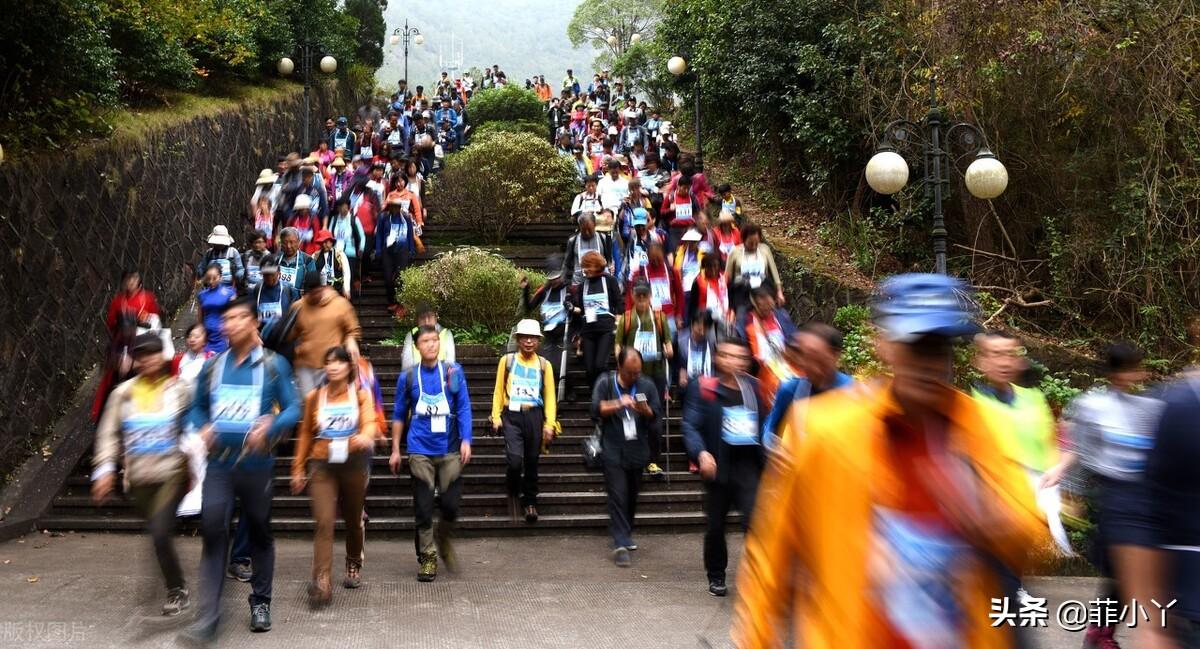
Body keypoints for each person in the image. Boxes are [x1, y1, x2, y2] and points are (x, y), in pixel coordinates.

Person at [733, 273, 1047, 648]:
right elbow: (771, 558)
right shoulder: (821, 428)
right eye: (916, 344)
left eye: (939, 347)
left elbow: (1032, 530)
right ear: (883, 344)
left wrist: (991, 521)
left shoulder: (979, 426)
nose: (930, 362)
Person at [180, 298, 301, 642]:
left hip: (256, 465)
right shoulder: (214, 365)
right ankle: (209, 615)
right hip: (219, 463)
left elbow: (295, 407)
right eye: (226, 318)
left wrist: (274, 423)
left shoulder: (274, 365)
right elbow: (196, 408)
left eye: (237, 318)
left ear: (253, 323)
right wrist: (202, 426)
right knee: (214, 528)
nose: (228, 324)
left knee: (260, 532)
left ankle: (261, 602)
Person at [1041, 342, 1163, 648]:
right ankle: (1101, 633)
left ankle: (1102, 632)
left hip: (1145, 497)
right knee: (1122, 569)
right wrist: (1071, 490)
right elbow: (1078, 450)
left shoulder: (1148, 408)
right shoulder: (1093, 406)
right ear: (1112, 371)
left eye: (1134, 368)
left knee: (1128, 572)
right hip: (1114, 496)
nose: (1130, 375)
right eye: (1124, 369)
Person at [92, 333, 192, 617]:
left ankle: (177, 589)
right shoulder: (122, 394)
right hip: (138, 479)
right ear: (135, 360)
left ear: (163, 357)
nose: (147, 360)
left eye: (153, 354)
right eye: (142, 355)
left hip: (171, 474)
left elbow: (193, 424)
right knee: (158, 535)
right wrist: (104, 470)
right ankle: (171, 575)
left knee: (160, 533)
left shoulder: (179, 389)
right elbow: (109, 435)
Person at [291, 346, 377, 606]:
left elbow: (370, 422)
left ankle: (353, 562)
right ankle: (322, 580)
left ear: (349, 367)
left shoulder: (360, 396)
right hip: (322, 464)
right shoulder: (315, 397)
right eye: (328, 362)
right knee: (324, 522)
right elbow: (306, 433)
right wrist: (297, 468)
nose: (333, 366)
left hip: (353, 464)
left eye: (339, 362)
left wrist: (365, 435)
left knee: (353, 519)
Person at [681, 339, 765, 597]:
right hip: (718, 466)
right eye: (727, 356)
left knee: (755, 523)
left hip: (749, 466)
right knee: (716, 526)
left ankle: (758, 574)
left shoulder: (755, 387)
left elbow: (768, 422)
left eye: (739, 357)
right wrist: (701, 453)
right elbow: (690, 425)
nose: (733, 361)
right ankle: (716, 575)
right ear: (717, 358)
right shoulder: (704, 388)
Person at [391, 326, 474, 582]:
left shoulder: (453, 372)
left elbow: (463, 406)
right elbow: (397, 414)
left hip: (449, 448)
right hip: (419, 449)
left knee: (450, 506)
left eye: (435, 340)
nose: (431, 345)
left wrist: (466, 439)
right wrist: (396, 449)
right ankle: (428, 557)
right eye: (425, 341)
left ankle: (444, 536)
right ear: (417, 346)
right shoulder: (408, 377)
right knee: (424, 508)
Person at [592, 347, 663, 567]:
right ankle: (620, 543)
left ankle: (625, 531)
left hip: (637, 449)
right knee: (618, 494)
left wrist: (645, 410)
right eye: (629, 373)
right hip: (612, 447)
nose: (634, 377)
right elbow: (596, 408)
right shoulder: (605, 382)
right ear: (619, 367)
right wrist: (618, 403)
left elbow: (656, 415)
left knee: (632, 495)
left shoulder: (647, 385)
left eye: (637, 373)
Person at [490, 319, 559, 523]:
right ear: (518, 339)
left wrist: (550, 423)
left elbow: (550, 397)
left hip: (534, 415)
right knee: (514, 461)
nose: (529, 341)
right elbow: (498, 391)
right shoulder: (507, 361)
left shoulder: (544, 365)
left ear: (538, 341)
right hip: (512, 415)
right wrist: (495, 416)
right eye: (525, 337)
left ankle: (530, 502)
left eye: (533, 338)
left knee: (531, 461)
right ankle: (512, 490)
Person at [761, 325, 854, 449]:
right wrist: (775, 449)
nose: (805, 363)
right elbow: (770, 429)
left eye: (815, 356)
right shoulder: (791, 390)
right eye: (802, 355)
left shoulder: (854, 391)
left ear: (834, 354)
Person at [615, 281, 673, 478]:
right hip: (634, 377)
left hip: (655, 375)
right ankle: (630, 457)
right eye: (637, 297)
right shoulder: (627, 318)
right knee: (631, 415)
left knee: (654, 418)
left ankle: (653, 461)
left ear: (649, 296)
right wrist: (620, 360)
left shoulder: (659, 317)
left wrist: (668, 348)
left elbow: (667, 340)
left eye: (644, 297)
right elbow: (618, 344)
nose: (641, 301)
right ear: (632, 296)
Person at [93, 270, 162, 421]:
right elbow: (111, 322)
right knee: (116, 376)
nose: (131, 282)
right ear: (124, 282)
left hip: (143, 342)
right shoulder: (118, 300)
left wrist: (143, 323)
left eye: (134, 279)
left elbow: (156, 319)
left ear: (138, 280)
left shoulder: (148, 298)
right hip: (122, 342)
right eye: (128, 279)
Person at [286, 272, 361, 396]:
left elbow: (352, 330)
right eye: (311, 292)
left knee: (331, 403)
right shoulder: (298, 307)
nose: (314, 295)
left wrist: (351, 341)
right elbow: (290, 335)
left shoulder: (340, 304)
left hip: (332, 365)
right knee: (309, 406)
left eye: (317, 291)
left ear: (323, 288)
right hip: (305, 366)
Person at [570, 250, 624, 391]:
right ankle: (596, 394)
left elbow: (619, 303)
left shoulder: (610, 281)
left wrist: (618, 322)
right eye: (584, 267)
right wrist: (571, 309)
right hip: (588, 330)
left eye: (587, 266)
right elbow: (580, 309)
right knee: (589, 368)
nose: (585, 270)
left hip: (605, 329)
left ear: (596, 265)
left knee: (601, 365)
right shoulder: (582, 286)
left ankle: (605, 392)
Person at [739, 286, 798, 406]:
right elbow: (742, 346)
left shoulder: (781, 317)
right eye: (762, 306)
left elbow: (793, 338)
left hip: (784, 369)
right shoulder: (745, 321)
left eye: (770, 306)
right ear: (755, 304)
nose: (767, 309)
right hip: (758, 373)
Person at [521, 256, 570, 384]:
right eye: (552, 279)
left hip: (563, 335)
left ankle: (569, 391)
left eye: (557, 278)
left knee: (560, 366)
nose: (555, 281)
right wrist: (526, 289)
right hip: (549, 336)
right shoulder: (544, 291)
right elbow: (529, 308)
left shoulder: (568, 289)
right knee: (547, 365)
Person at [628, 240, 685, 338]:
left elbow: (680, 294)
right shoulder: (640, 272)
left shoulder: (672, 271)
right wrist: (629, 316)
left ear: (663, 255)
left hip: (668, 315)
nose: (655, 262)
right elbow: (630, 296)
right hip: (646, 315)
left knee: (672, 339)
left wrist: (679, 315)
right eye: (652, 259)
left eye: (658, 259)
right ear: (647, 257)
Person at [376, 190, 419, 315]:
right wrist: (378, 249)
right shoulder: (383, 218)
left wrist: (411, 249)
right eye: (393, 206)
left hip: (402, 250)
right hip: (387, 251)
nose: (395, 208)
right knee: (388, 278)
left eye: (397, 206)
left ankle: (401, 303)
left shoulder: (406, 217)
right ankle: (391, 301)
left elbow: (410, 235)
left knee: (402, 277)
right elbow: (379, 235)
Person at [725, 223, 784, 314]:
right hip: (742, 293)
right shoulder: (735, 252)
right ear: (744, 240)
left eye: (756, 243)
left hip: (762, 292)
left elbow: (774, 274)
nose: (754, 246)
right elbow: (727, 277)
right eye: (750, 243)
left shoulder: (765, 250)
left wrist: (779, 292)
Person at [326, 198, 365, 297]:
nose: (342, 209)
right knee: (336, 277)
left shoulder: (354, 219)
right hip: (335, 253)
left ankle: (349, 300)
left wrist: (361, 248)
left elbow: (362, 236)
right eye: (340, 207)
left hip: (349, 253)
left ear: (348, 207)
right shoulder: (334, 219)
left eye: (344, 206)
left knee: (348, 278)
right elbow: (329, 235)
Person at [399, 306, 457, 372]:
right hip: (417, 376)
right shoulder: (411, 334)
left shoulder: (446, 333)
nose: (426, 321)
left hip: (442, 377)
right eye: (422, 317)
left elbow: (450, 362)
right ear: (418, 320)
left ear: (435, 318)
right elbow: (407, 366)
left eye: (429, 317)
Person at [563, 214, 615, 286]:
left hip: (600, 281)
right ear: (580, 227)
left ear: (595, 226)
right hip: (578, 282)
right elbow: (566, 264)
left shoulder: (603, 238)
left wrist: (611, 266)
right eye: (584, 230)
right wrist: (563, 281)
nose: (587, 233)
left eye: (590, 230)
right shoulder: (573, 241)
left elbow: (609, 260)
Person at [197, 263, 237, 354]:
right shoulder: (202, 295)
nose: (211, 281)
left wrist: (231, 337)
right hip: (207, 336)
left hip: (223, 336)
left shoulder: (229, 293)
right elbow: (200, 316)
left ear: (220, 277)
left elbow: (233, 315)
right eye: (208, 278)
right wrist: (200, 332)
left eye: (214, 278)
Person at [687, 252, 731, 329]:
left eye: (715, 266)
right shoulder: (698, 282)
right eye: (709, 266)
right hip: (705, 320)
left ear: (719, 266)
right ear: (704, 267)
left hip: (724, 317)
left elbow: (731, 297)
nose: (713, 269)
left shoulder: (725, 278)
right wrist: (695, 322)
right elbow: (692, 305)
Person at [676, 311, 716, 389]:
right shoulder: (681, 341)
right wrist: (682, 375)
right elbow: (680, 364)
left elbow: (713, 365)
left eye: (705, 329)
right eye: (699, 329)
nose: (702, 333)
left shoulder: (711, 342)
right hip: (688, 383)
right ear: (692, 324)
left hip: (707, 384)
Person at [663, 174, 700, 254]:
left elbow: (698, 212)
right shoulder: (671, 197)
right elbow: (662, 212)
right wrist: (670, 209)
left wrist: (694, 220)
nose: (686, 191)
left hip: (689, 228)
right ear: (678, 186)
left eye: (688, 188)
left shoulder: (692, 197)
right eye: (684, 188)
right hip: (675, 230)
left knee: (689, 252)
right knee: (676, 252)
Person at [311, 230, 353, 300]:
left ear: (331, 242)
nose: (324, 245)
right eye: (322, 243)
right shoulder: (315, 256)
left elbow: (346, 272)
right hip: (321, 291)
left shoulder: (340, 254)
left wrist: (346, 288)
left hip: (337, 290)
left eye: (326, 242)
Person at [277, 227, 315, 293]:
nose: (288, 246)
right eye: (285, 242)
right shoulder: (275, 259)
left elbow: (312, 286)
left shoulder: (307, 261)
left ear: (298, 242)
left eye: (292, 242)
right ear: (281, 243)